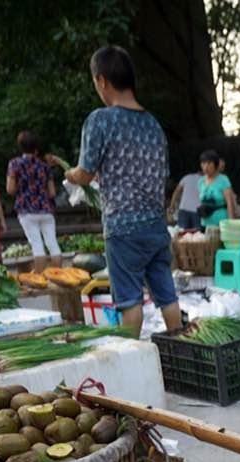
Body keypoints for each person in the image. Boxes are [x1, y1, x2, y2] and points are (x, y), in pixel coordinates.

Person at [61, 45, 181, 337]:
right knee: (168, 297)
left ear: (102, 80)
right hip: (155, 226)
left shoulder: (100, 120)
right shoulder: (153, 125)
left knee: (130, 302)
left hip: (123, 228)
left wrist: (70, 174)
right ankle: (184, 350)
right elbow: (161, 176)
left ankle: (134, 362)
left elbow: (86, 172)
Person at [6, 130, 60, 271]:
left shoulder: (15, 164)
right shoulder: (44, 166)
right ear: (36, 147)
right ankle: (59, 275)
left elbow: (10, 189)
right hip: (46, 210)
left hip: (27, 210)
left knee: (37, 246)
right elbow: (52, 193)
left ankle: (40, 279)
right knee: (53, 245)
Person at [196, 149, 236, 228]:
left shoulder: (223, 180)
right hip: (205, 223)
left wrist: (231, 224)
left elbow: (230, 203)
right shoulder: (200, 182)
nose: (206, 167)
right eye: (203, 163)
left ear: (215, 165)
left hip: (221, 223)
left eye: (209, 163)